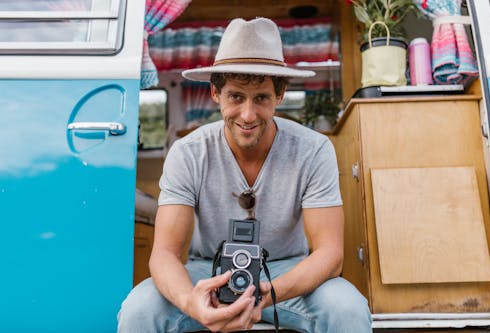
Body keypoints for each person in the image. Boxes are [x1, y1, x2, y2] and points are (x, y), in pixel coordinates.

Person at [117, 17, 372, 333]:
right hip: (208, 271)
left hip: (286, 272)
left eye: (261, 98)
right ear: (215, 93)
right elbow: (164, 254)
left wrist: (268, 293)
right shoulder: (187, 152)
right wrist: (190, 301)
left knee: (348, 307)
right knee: (139, 309)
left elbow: (330, 254)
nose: (248, 115)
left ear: (279, 96)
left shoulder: (313, 149)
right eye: (236, 96)